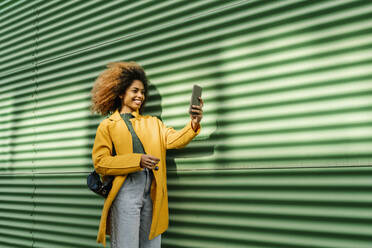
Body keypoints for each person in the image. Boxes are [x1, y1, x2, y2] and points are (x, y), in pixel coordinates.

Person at [90, 61, 203, 248]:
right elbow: (101, 162)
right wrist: (137, 160)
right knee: (125, 244)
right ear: (120, 92)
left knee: (151, 244)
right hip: (126, 188)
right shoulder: (107, 125)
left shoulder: (153, 123)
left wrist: (193, 123)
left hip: (153, 189)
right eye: (135, 91)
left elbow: (174, 140)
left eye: (142, 92)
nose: (140, 96)